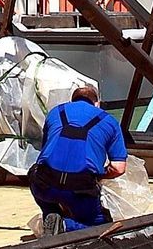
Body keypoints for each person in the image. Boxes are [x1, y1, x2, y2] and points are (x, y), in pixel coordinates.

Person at [29, 82, 128, 235]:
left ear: (71, 101)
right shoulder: (109, 121)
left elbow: (45, 153)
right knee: (102, 228)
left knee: (35, 172)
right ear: (97, 103)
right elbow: (118, 167)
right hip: (80, 189)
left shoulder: (56, 112)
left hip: (45, 185)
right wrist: (100, 176)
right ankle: (65, 226)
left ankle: (51, 215)